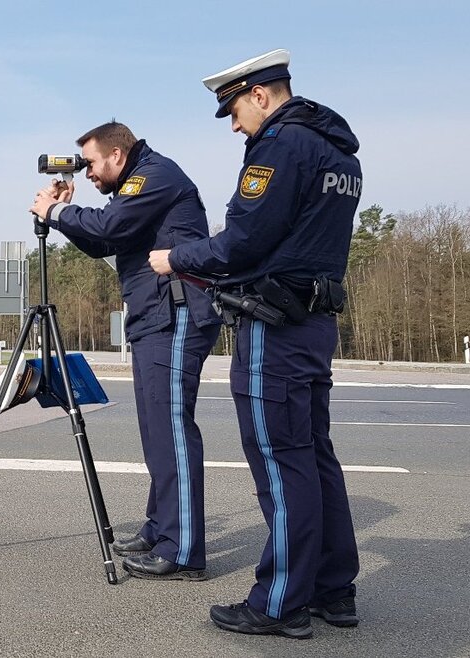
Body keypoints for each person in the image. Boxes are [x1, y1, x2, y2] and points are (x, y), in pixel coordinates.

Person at [148, 50, 362, 638]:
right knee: (315, 456)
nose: (237, 126)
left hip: (276, 322)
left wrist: (175, 258)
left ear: (261, 95)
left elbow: (243, 241)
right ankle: (332, 589)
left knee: (280, 461)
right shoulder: (338, 150)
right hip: (316, 320)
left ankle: (279, 603)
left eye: (236, 111)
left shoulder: (281, 146)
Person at [30, 121, 222, 581]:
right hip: (154, 317)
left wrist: (55, 214)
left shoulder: (154, 176)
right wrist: (65, 214)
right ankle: (161, 528)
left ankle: (183, 550)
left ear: (117, 155)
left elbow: (112, 224)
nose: (88, 172)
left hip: (175, 316)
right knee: (156, 429)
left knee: (171, 428)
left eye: (92, 163)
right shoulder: (134, 187)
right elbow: (104, 242)